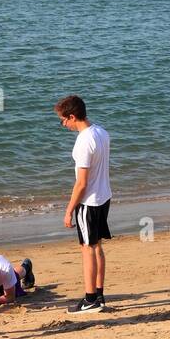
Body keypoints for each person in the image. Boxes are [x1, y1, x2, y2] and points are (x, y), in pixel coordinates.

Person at [55, 94, 111, 315]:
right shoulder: (102, 132)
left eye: (63, 120)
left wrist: (69, 210)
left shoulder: (83, 141)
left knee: (87, 248)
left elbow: (81, 183)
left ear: (72, 116)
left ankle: (90, 299)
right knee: (96, 246)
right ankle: (98, 294)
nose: (63, 125)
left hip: (89, 202)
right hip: (104, 197)